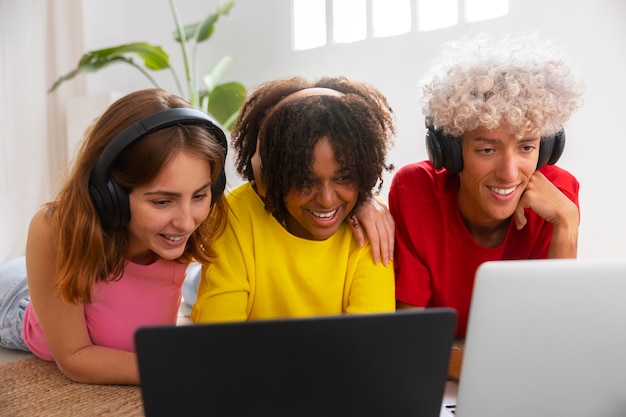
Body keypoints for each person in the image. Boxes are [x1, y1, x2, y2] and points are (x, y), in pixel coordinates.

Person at [389, 33, 585, 380]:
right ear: (450, 151)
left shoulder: (558, 196)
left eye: (526, 147)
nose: (510, 174)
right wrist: (503, 366)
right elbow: (409, 339)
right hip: (451, 385)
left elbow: (559, 340)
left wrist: (567, 222)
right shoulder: (414, 192)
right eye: (487, 149)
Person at [0, 88, 229, 385]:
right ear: (111, 194)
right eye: (162, 201)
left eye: (200, 195)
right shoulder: (55, 230)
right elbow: (76, 358)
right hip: (14, 302)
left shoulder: (197, 221)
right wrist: (177, 370)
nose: (186, 222)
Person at [191, 76, 396, 323]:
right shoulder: (235, 214)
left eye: (343, 177)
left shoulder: (371, 223)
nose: (327, 199)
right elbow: (218, 337)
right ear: (269, 176)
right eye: (305, 181)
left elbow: (370, 343)